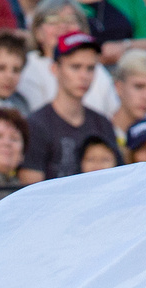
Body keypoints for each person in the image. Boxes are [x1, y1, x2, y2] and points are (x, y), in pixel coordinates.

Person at [20, 31, 108, 181]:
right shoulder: (36, 125)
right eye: (75, 67)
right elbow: (31, 192)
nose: (84, 76)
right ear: (55, 69)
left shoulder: (102, 124)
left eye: (90, 68)